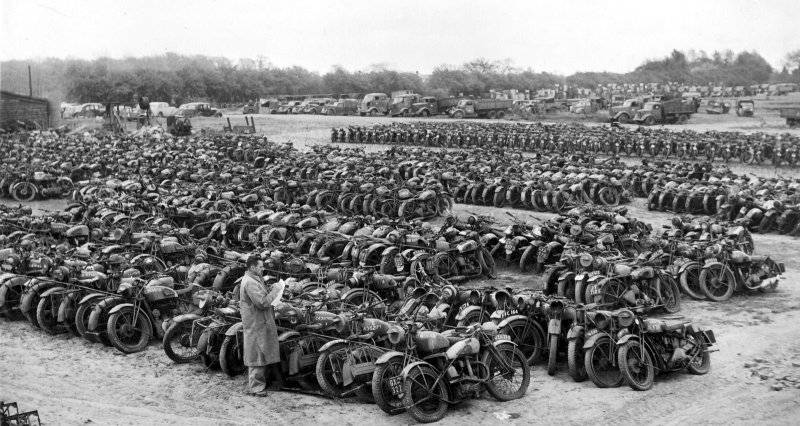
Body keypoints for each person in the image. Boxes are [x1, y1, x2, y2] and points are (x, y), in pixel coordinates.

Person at [240, 255, 282, 396]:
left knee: (261, 353)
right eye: (260, 266)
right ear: (252, 267)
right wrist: (276, 290)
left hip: (258, 321)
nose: (262, 268)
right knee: (257, 354)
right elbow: (262, 303)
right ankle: (256, 387)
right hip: (256, 323)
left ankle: (261, 383)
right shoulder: (250, 282)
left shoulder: (254, 279)